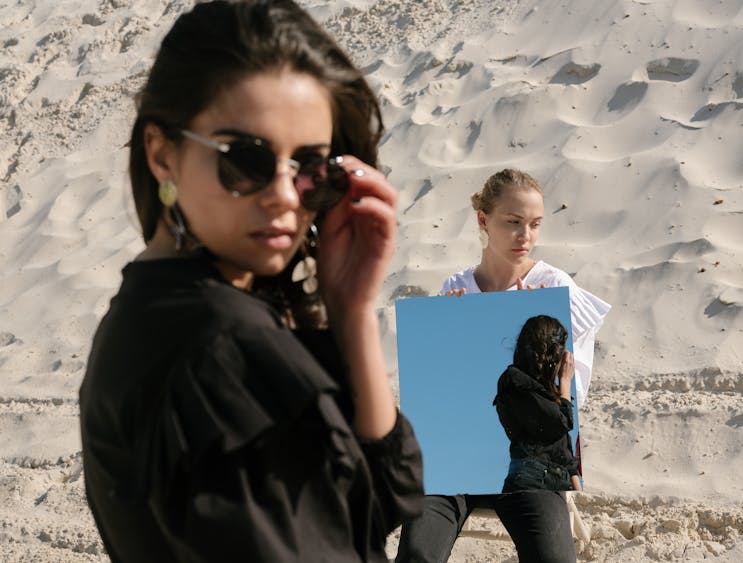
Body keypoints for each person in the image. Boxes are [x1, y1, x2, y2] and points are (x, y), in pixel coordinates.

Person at [79, 2, 423, 562]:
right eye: (246, 160)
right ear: (162, 154)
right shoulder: (222, 346)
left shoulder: (157, 311)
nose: (286, 196)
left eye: (313, 166)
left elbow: (382, 498)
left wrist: (352, 310)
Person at [395, 169, 609, 563]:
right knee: (416, 555)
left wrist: (540, 344)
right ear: (483, 220)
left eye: (534, 224)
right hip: (453, 464)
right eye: (512, 222)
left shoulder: (553, 287)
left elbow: (572, 401)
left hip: (530, 464)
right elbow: (438, 392)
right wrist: (447, 330)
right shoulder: (455, 287)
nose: (525, 235)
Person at [491, 315, 581, 562]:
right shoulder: (514, 381)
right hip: (531, 480)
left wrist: (577, 490)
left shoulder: (545, 394)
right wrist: (565, 383)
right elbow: (560, 423)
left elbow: (563, 450)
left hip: (554, 483)